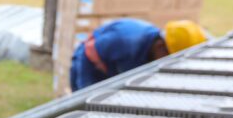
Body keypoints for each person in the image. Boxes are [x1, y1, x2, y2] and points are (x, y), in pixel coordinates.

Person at [69, 18, 206, 91]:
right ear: (160, 46)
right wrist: (85, 91)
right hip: (89, 66)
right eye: (169, 58)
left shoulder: (151, 51)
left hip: (115, 72)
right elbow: (88, 52)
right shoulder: (126, 40)